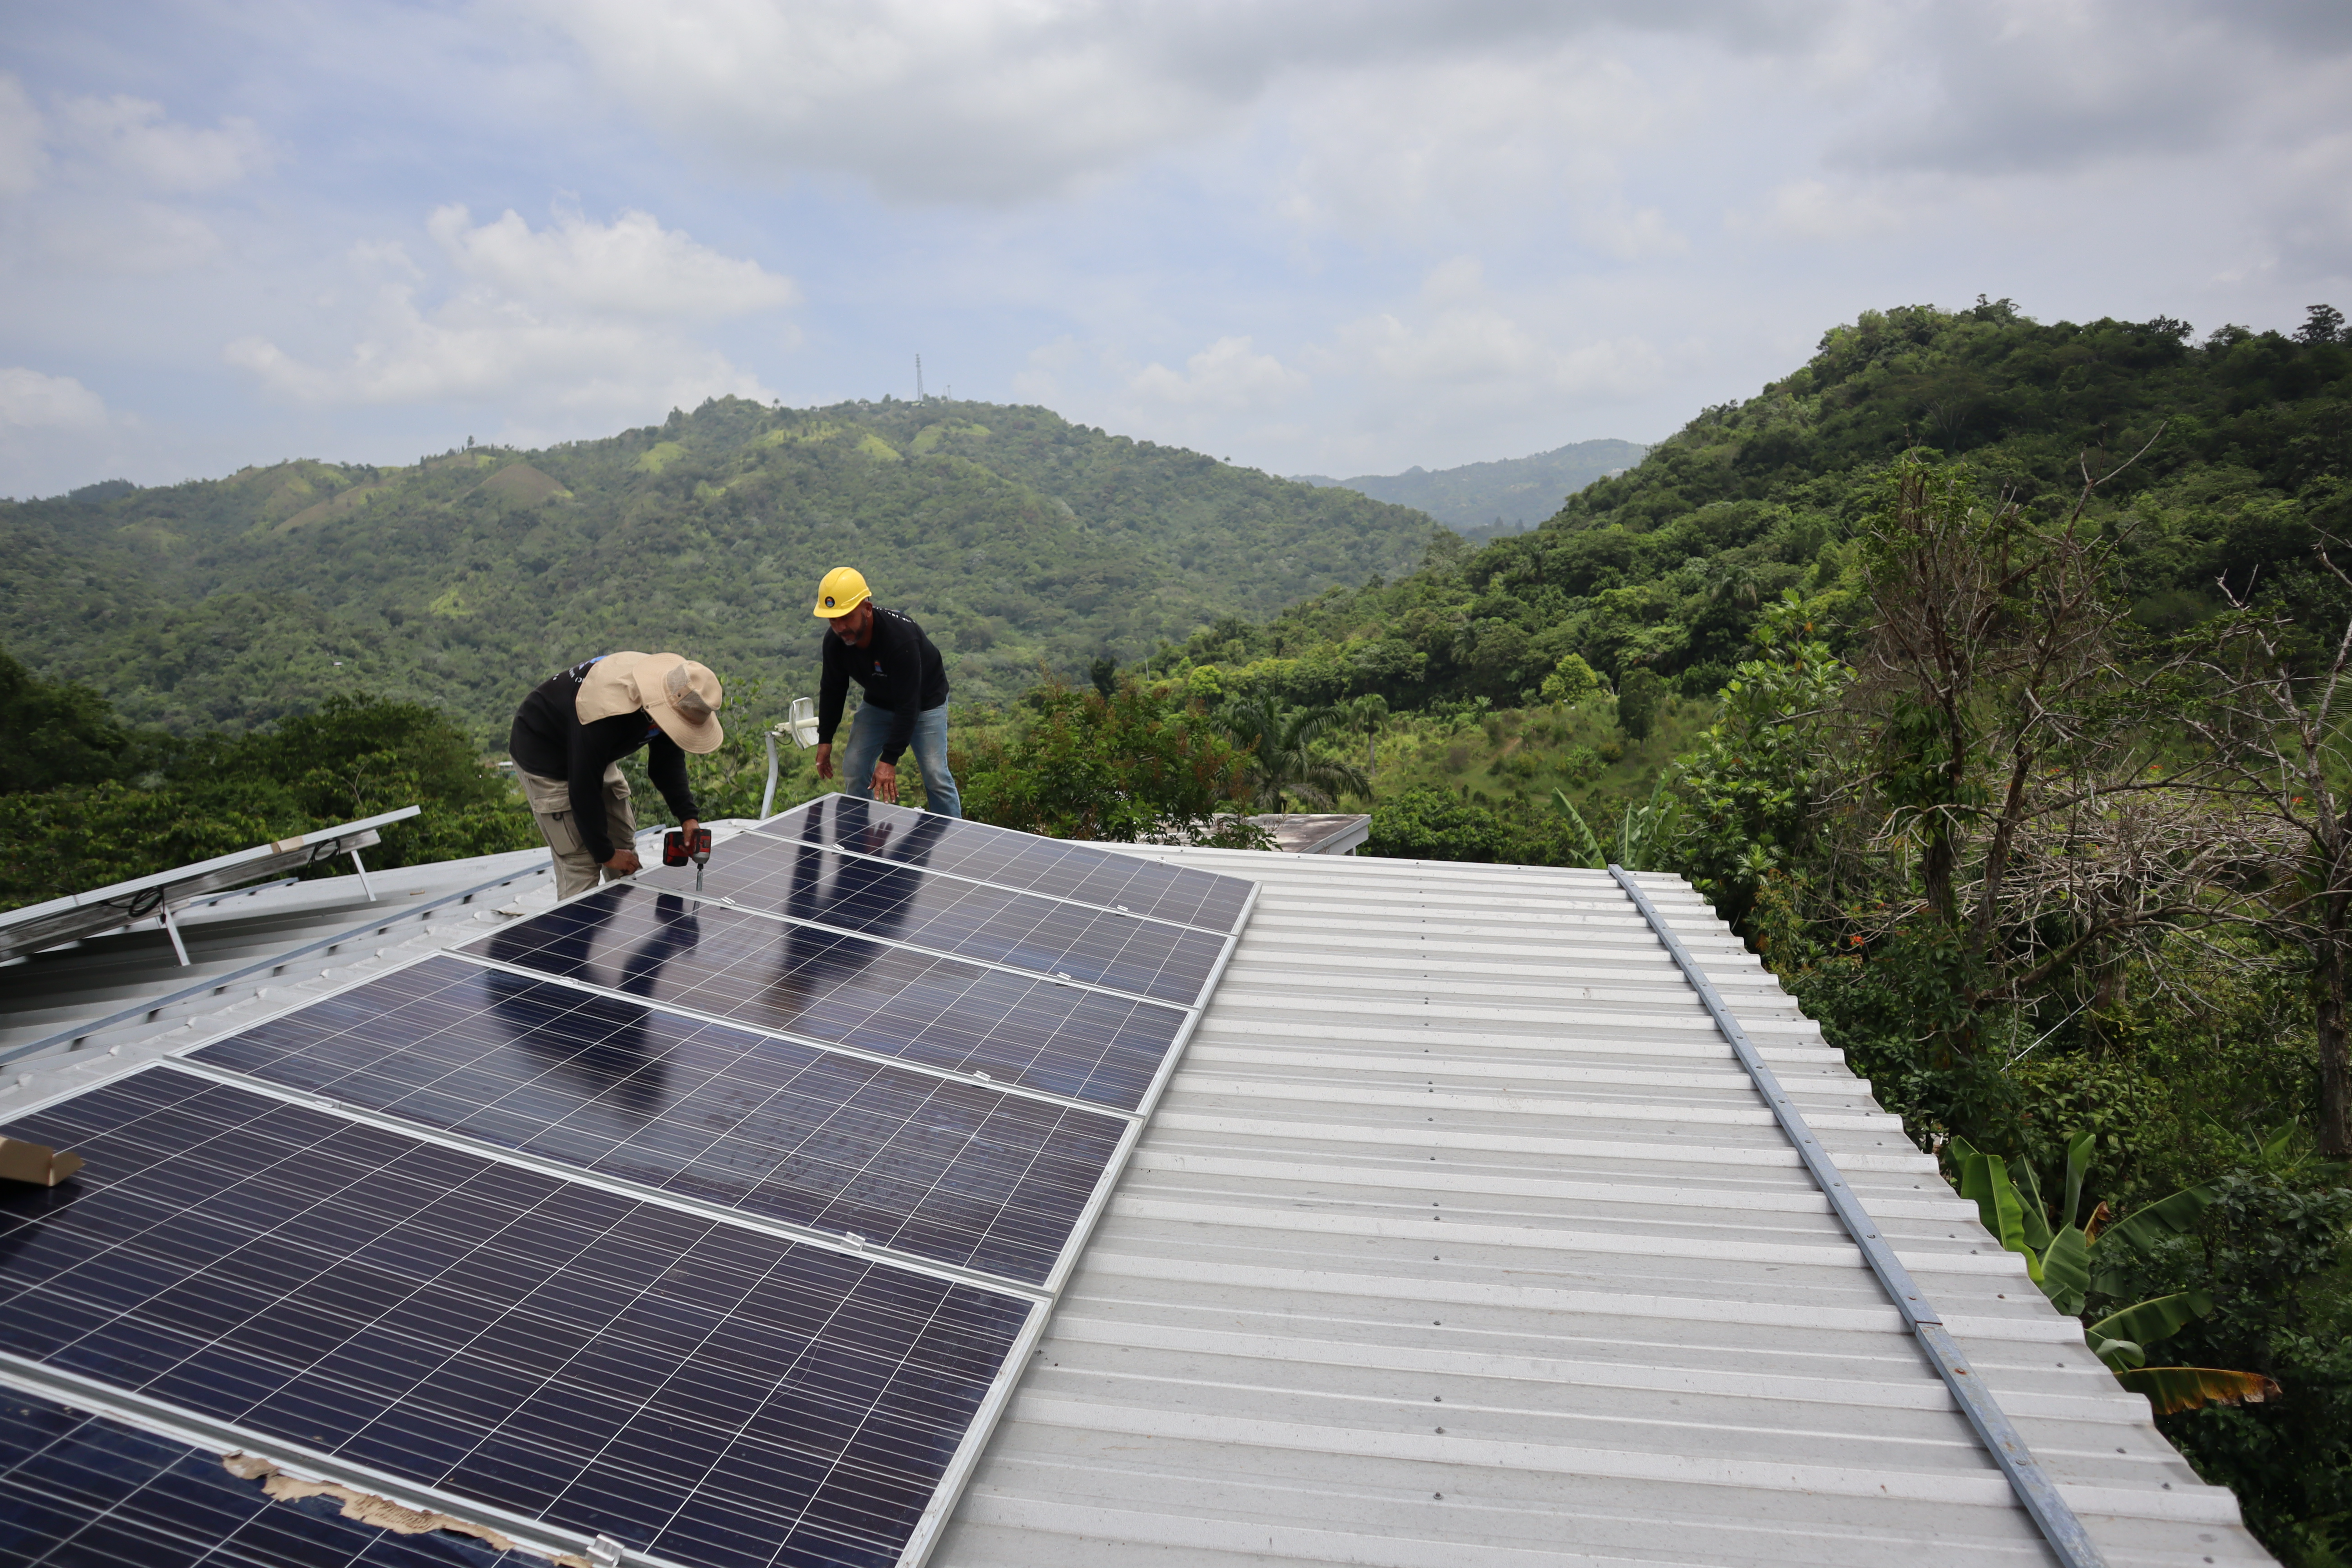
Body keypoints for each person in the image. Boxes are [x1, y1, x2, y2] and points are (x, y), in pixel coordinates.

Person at [508, 651, 723, 898]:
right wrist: (606, 855)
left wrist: (688, 817)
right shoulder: (604, 711)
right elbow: (583, 789)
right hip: (546, 754)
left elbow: (666, 762)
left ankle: (622, 929)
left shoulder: (676, 692)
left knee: (624, 848)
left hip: (593, 750)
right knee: (581, 864)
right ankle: (576, 933)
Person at [810, 566, 961, 817]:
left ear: (866, 609)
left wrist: (889, 760)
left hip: (924, 703)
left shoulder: (900, 640)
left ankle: (955, 837)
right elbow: (832, 689)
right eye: (833, 619)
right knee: (855, 767)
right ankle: (859, 836)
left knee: (936, 775)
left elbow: (909, 706)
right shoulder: (835, 642)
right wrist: (825, 740)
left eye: (846, 617)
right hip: (879, 701)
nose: (840, 627)